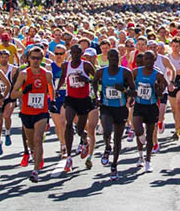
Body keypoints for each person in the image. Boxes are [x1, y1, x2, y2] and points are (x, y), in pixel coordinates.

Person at [11, 46, 54, 183]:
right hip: (26, 112)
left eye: (38, 58)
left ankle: (35, 171)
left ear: (42, 59)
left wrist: (52, 102)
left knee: (38, 138)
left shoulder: (47, 74)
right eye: (33, 58)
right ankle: (36, 154)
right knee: (31, 142)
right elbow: (13, 93)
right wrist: (24, 91)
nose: (36, 61)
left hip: (41, 111)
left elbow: (51, 88)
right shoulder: (24, 74)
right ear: (28, 59)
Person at [93, 49, 135, 181]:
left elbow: (133, 92)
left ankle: (114, 166)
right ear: (107, 57)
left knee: (118, 139)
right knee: (106, 131)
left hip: (121, 108)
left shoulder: (126, 72)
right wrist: (97, 96)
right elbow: (94, 82)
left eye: (116, 56)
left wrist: (122, 89)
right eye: (111, 56)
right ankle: (107, 147)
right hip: (106, 107)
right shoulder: (101, 72)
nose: (113, 59)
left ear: (119, 57)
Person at [56, 44, 96, 172]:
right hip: (71, 98)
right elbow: (63, 77)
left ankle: (84, 139)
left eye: (78, 53)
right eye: (73, 52)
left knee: (80, 129)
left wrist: (86, 79)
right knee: (68, 124)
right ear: (70, 53)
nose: (75, 55)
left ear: (81, 53)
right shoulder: (66, 65)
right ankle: (69, 157)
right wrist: (57, 89)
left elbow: (96, 79)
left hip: (84, 99)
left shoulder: (86, 65)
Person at [132, 51, 167, 172]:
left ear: (154, 60)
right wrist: (131, 91)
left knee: (150, 133)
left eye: (150, 59)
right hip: (139, 104)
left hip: (151, 106)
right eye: (146, 59)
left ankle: (147, 160)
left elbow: (162, 91)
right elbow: (128, 83)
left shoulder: (158, 74)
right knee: (138, 129)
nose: (148, 61)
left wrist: (158, 90)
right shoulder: (136, 72)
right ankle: (140, 156)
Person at [50, 44, 68, 158]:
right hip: (54, 98)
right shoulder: (50, 67)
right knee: (58, 125)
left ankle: (65, 146)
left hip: (66, 97)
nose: (59, 56)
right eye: (56, 53)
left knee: (62, 121)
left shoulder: (69, 66)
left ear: (65, 54)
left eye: (61, 54)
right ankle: (62, 142)